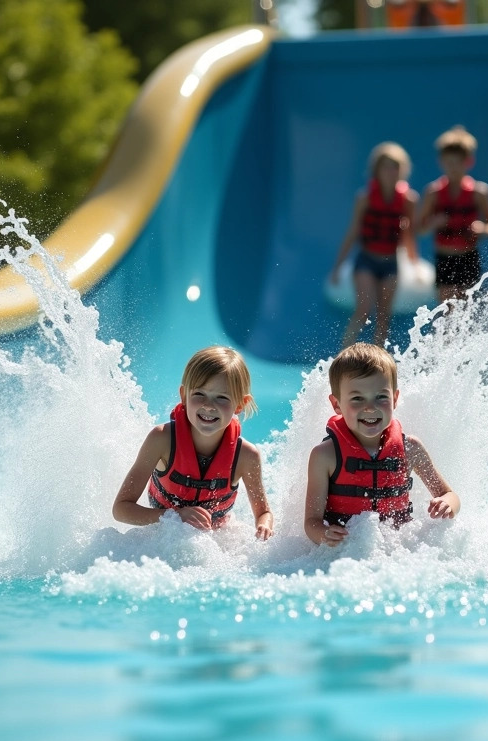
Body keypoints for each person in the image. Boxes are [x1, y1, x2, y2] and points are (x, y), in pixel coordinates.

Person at [303, 343, 460, 546]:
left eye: (381, 397)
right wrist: (324, 535)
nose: (370, 408)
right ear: (337, 404)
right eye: (357, 398)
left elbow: (449, 494)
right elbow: (311, 522)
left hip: (398, 547)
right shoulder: (325, 455)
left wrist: (447, 504)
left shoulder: (410, 448)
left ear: (394, 399)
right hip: (347, 549)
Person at [113, 346, 273, 539]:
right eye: (199, 394)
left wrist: (264, 527)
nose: (208, 405)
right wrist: (174, 517)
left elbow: (264, 513)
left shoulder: (246, 456)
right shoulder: (161, 440)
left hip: (215, 539)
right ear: (184, 396)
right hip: (162, 539)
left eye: (222, 398)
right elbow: (121, 509)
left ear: (240, 404)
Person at [329, 142, 419, 348]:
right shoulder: (365, 198)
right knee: (364, 309)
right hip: (367, 261)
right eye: (385, 167)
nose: (390, 172)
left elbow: (408, 235)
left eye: (395, 167)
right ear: (376, 170)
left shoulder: (409, 200)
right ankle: (343, 355)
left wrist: (414, 265)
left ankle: (379, 362)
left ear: (402, 170)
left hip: (391, 263)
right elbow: (353, 233)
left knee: (384, 316)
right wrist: (337, 267)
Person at [416, 125, 488, 305]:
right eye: (449, 163)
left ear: (468, 162)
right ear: (441, 162)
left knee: (467, 310)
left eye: (457, 163)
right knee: (446, 311)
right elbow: (419, 230)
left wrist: (483, 229)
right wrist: (433, 223)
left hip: (468, 258)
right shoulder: (432, 193)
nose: (453, 168)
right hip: (444, 259)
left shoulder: (480, 192)